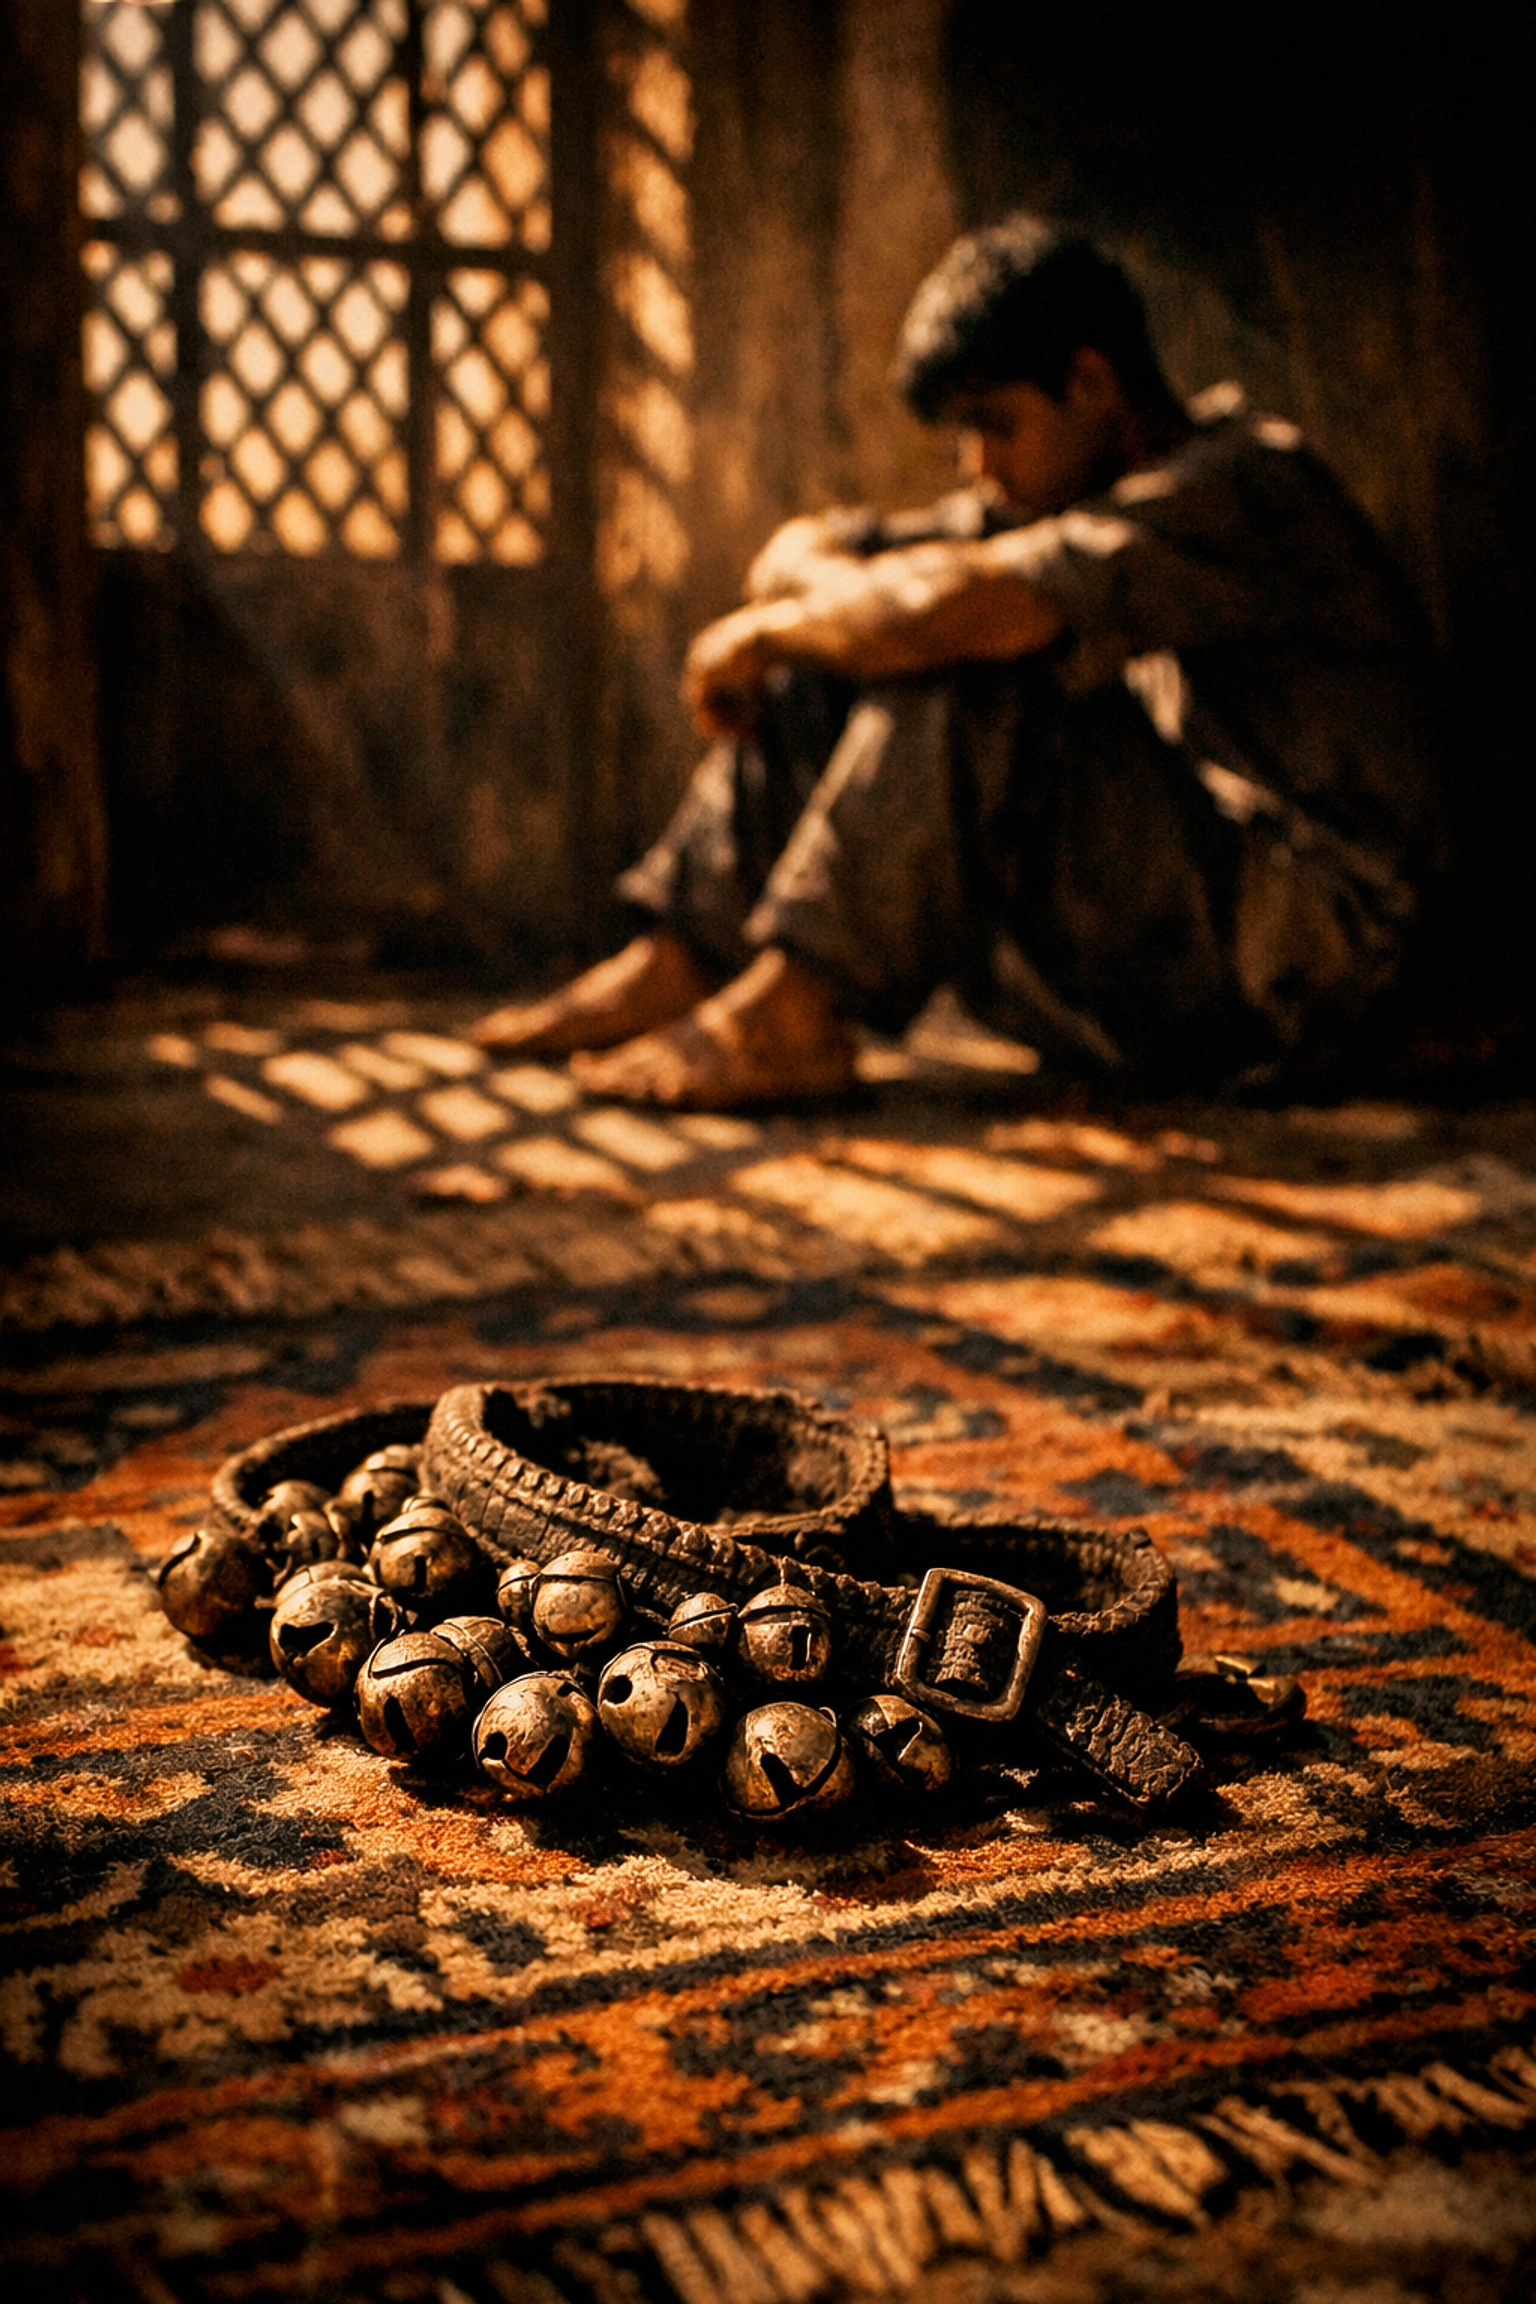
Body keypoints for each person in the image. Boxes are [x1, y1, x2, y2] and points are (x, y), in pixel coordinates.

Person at [473, 216, 1441, 1106]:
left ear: (1094, 387)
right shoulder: (1063, 505)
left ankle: (793, 1015)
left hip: (1295, 978)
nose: (979, 466)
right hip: (1161, 953)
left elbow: (960, 607)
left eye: (998, 425)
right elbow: (808, 553)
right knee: (872, 623)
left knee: (970, 633)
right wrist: (804, 617)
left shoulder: (1242, 486)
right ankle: (686, 955)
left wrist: (772, 632)